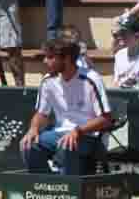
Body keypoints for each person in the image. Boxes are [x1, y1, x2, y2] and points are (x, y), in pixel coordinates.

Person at [19, 32, 115, 176]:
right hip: (59, 134)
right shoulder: (47, 81)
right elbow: (42, 114)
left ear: (67, 58)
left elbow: (106, 119)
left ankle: (68, 191)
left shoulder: (91, 79)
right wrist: (33, 128)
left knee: (67, 145)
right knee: (28, 145)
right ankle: (45, 188)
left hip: (89, 137)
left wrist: (78, 131)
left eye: (50, 57)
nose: (45, 61)